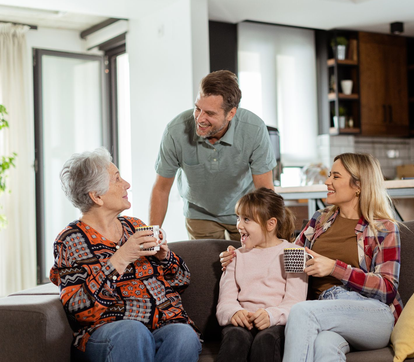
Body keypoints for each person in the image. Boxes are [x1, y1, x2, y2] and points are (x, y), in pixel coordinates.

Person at [220, 153, 402, 362]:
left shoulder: (383, 228)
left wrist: (335, 267)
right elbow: (288, 257)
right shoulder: (320, 219)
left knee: (301, 312)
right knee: (324, 346)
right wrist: (239, 255)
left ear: (358, 185)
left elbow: (388, 289)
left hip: (370, 315)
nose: (327, 181)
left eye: (335, 176)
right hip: (325, 312)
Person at [50, 147, 201, 362]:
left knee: (184, 335)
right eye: (117, 179)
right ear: (97, 196)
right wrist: (119, 259)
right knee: (133, 332)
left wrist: (163, 256)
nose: (127, 185)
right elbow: (78, 309)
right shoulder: (71, 239)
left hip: (161, 326)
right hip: (110, 333)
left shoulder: (134, 226)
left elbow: (182, 281)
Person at [149, 70, 277, 240]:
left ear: (231, 113)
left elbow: (264, 190)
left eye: (209, 113)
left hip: (245, 211)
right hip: (200, 213)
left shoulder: (254, 129)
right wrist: (152, 236)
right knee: (205, 264)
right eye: (197, 108)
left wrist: (271, 237)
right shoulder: (175, 131)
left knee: (249, 263)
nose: (200, 118)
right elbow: (161, 189)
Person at [216, 188, 308, 362]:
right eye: (238, 218)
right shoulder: (235, 256)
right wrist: (234, 313)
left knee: (266, 340)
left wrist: (270, 316)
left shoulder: (294, 253)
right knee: (235, 338)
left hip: (276, 324)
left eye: (247, 219)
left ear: (270, 224)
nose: (239, 225)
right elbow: (225, 302)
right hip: (241, 324)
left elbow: (296, 303)